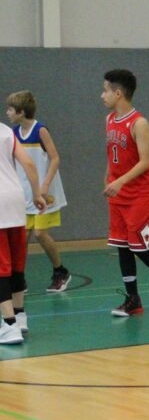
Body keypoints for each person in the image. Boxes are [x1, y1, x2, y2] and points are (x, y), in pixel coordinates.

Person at [101, 69, 149, 315]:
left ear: (118, 93)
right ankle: (133, 300)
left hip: (138, 192)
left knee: (138, 246)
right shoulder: (109, 120)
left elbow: (144, 162)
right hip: (117, 190)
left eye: (105, 90)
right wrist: (109, 177)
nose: (102, 95)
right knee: (122, 246)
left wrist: (120, 181)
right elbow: (112, 154)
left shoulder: (139, 123)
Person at [6, 91, 71, 296]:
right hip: (25, 193)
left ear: (21, 112)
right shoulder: (14, 133)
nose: (7, 112)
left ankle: (61, 271)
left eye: (10, 109)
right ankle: (19, 279)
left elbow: (55, 158)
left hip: (45, 192)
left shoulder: (40, 130)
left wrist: (45, 185)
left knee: (40, 233)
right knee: (22, 237)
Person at [0, 126, 47, 345]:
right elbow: (28, 163)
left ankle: (9, 325)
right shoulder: (6, 131)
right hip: (16, 199)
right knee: (17, 264)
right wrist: (37, 194)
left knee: (1, 268)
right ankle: (20, 316)